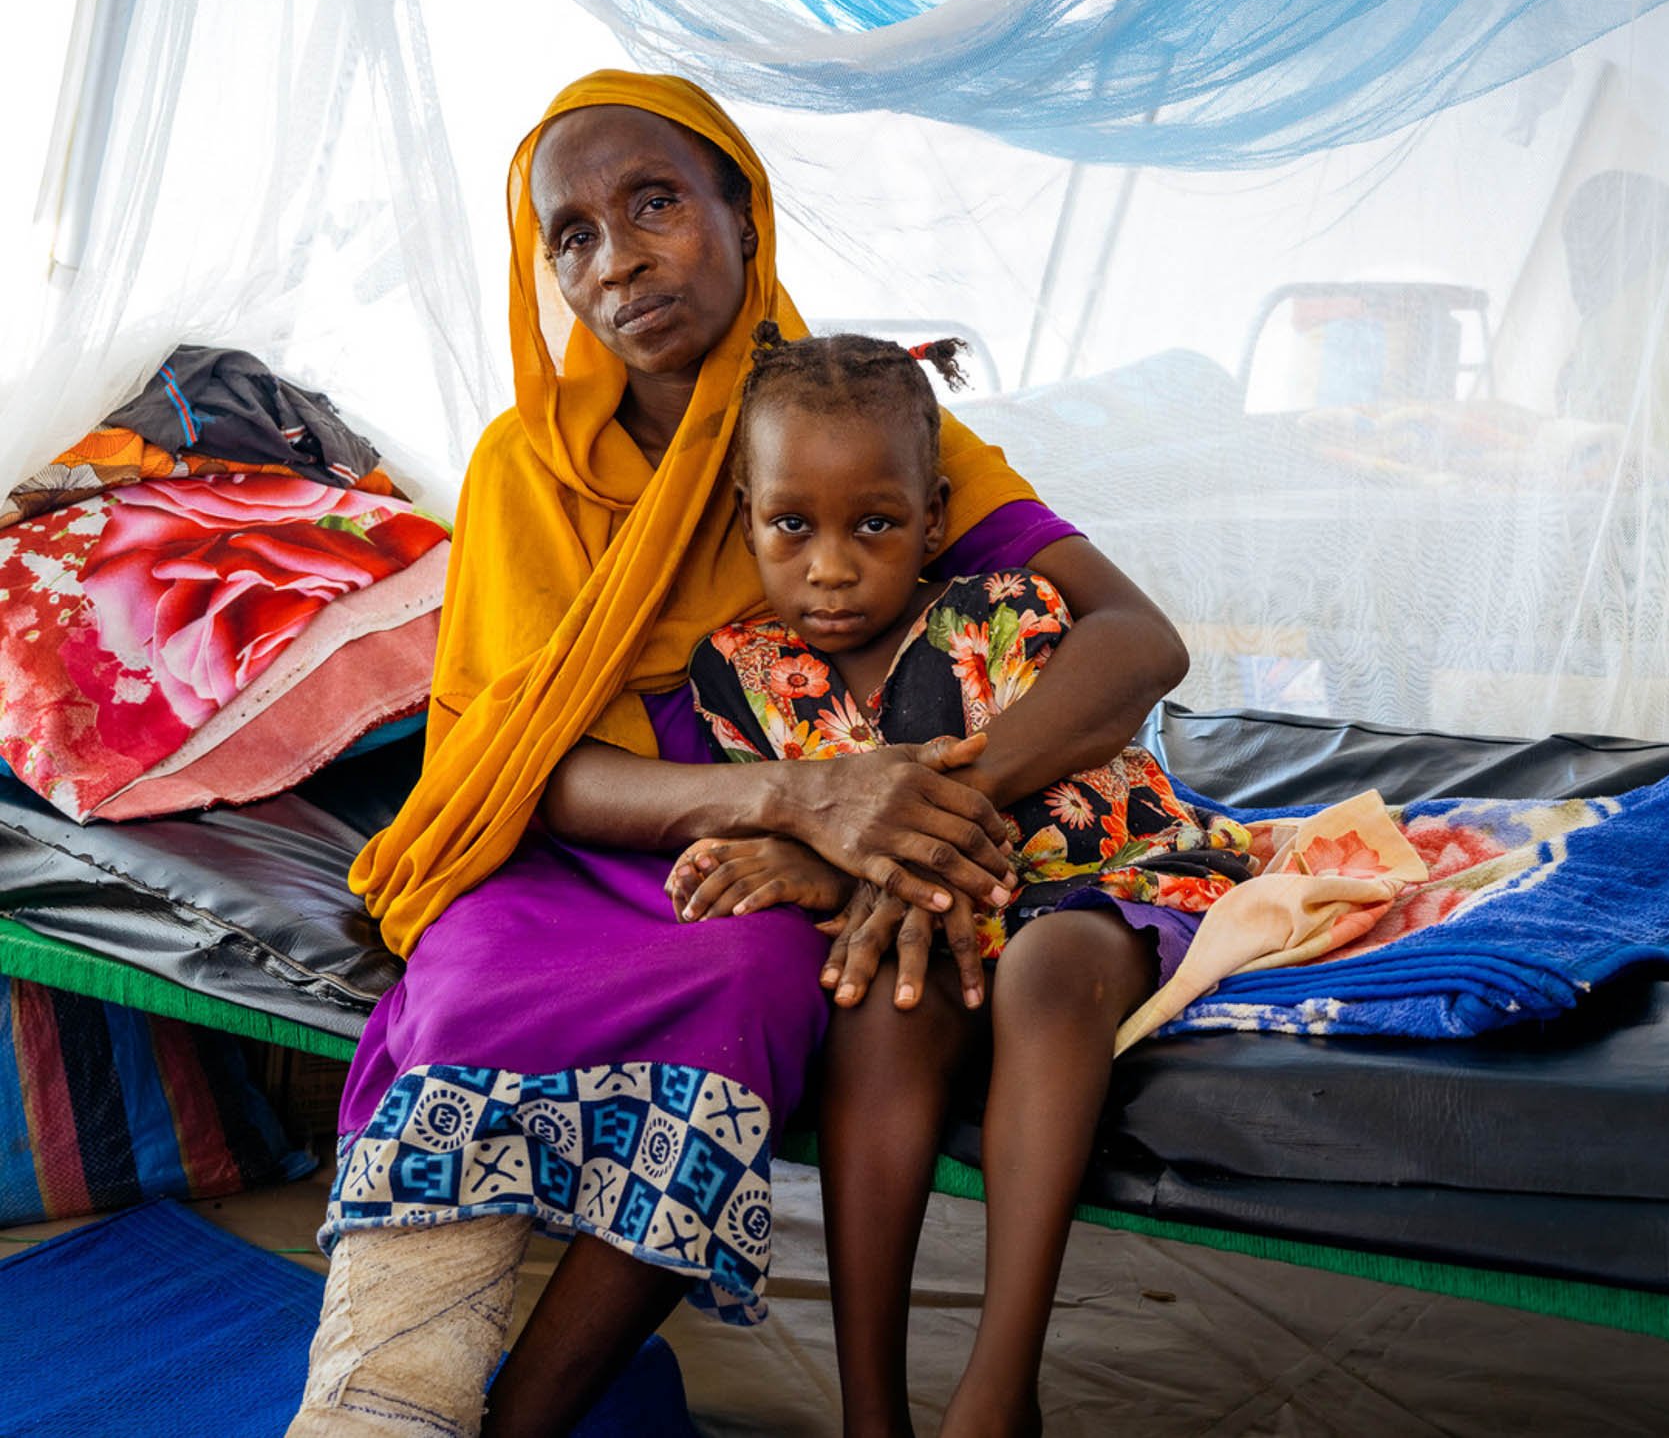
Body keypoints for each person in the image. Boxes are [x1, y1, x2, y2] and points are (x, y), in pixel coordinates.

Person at [287, 72, 1189, 1438]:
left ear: (744, 217)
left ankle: (522, 1419)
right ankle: (389, 1402)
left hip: (761, 863)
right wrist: (808, 794)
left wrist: (919, 803)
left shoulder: (856, 426)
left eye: (655, 203)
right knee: (470, 995)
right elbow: (537, 770)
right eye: (572, 234)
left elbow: (1132, 634)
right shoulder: (528, 472)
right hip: (596, 837)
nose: (620, 258)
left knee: (756, 987)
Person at [668, 326, 1255, 1438]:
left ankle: (995, 1393)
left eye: (874, 525)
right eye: (792, 525)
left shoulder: (1003, 615)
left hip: (1091, 877)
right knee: (876, 1006)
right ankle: (871, 1414)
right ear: (743, 514)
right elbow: (794, 817)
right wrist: (807, 856)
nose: (831, 567)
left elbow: (1046, 807)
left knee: (1052, 961)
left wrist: (837, 858)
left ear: (933, 517)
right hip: (940, 925)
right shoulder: (739, 676)